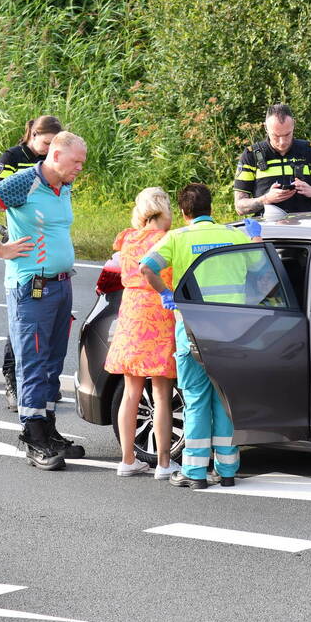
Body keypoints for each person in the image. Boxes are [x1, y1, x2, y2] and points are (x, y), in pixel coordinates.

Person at [0, 132, 88, 471]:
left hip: (61, 284)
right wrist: (1, 250)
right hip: (32, 287)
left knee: (52, 361)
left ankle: (48, 429)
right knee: (33, 361)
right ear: (56, 155)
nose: (80, 167)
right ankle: (34, 437)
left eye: (82, 162)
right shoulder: (25, 182)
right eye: (76, 161)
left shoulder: (64, 185)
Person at [139, 183, 262, 489]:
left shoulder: (178, 238)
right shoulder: (234, 236)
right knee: (224, 400)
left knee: (195, 400)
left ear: (184, 212)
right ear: (212, 208)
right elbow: (261, 267)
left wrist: (166, 294)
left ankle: (194, 473)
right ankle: (227, 470)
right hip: (232, 332)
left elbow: (147, 268)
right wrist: (256, 237)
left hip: (192, 330)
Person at [103, 187, 179, 479]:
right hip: (158, 312)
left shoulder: (127, 238)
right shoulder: (168, 239)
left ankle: (127, 460)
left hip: (131, 314)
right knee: (161, 393)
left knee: (131, 392)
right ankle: (164, 463)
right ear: (164, 208)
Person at [0, 116, 63, 412]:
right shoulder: (12, 158)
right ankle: (13, 380)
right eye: (46, 143)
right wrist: (3, 246)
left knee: (46, 322)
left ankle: (43, 384)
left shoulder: (54, 163)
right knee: (22, 322)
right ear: (33, 135)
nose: (49, 150)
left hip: (46, 251)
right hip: (23, 247)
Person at [233, 103, 311, 218]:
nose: (282, 142)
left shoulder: (310, 151)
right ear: (266, 128)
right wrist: (266, 199)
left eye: (287, 134)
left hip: (305, 226)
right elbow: (239, 207)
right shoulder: (251, 155)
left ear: (293, 125)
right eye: (276, 136)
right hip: (268, 227)